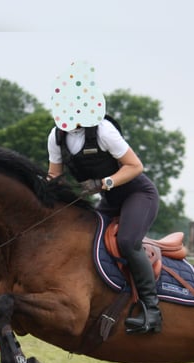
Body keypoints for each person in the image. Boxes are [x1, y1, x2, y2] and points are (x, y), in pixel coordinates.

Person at [47, 61, 161, 334]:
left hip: (136, 194)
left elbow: (135, 167)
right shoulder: (56, 136)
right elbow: (54, 177)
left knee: (127, 241)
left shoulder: (103, 131)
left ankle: (152, 310)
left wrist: (103, 183)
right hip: (108, 200)